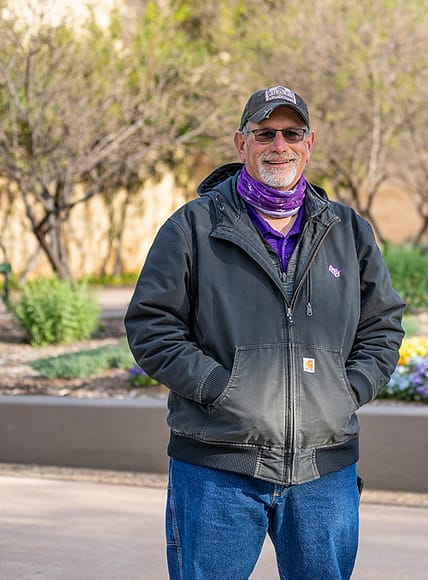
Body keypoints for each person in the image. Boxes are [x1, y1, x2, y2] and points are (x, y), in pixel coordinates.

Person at [125, 85, 405, 580]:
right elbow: (152, 325)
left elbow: (382, 325)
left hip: (324, 468)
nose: (280, 145)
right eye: (265, 134)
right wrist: (220, 388)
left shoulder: (347, 230)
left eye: (291, 133)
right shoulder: (192, 227)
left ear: (310, 142)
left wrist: (346, 391)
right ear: (241, 144)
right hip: (218, 467)